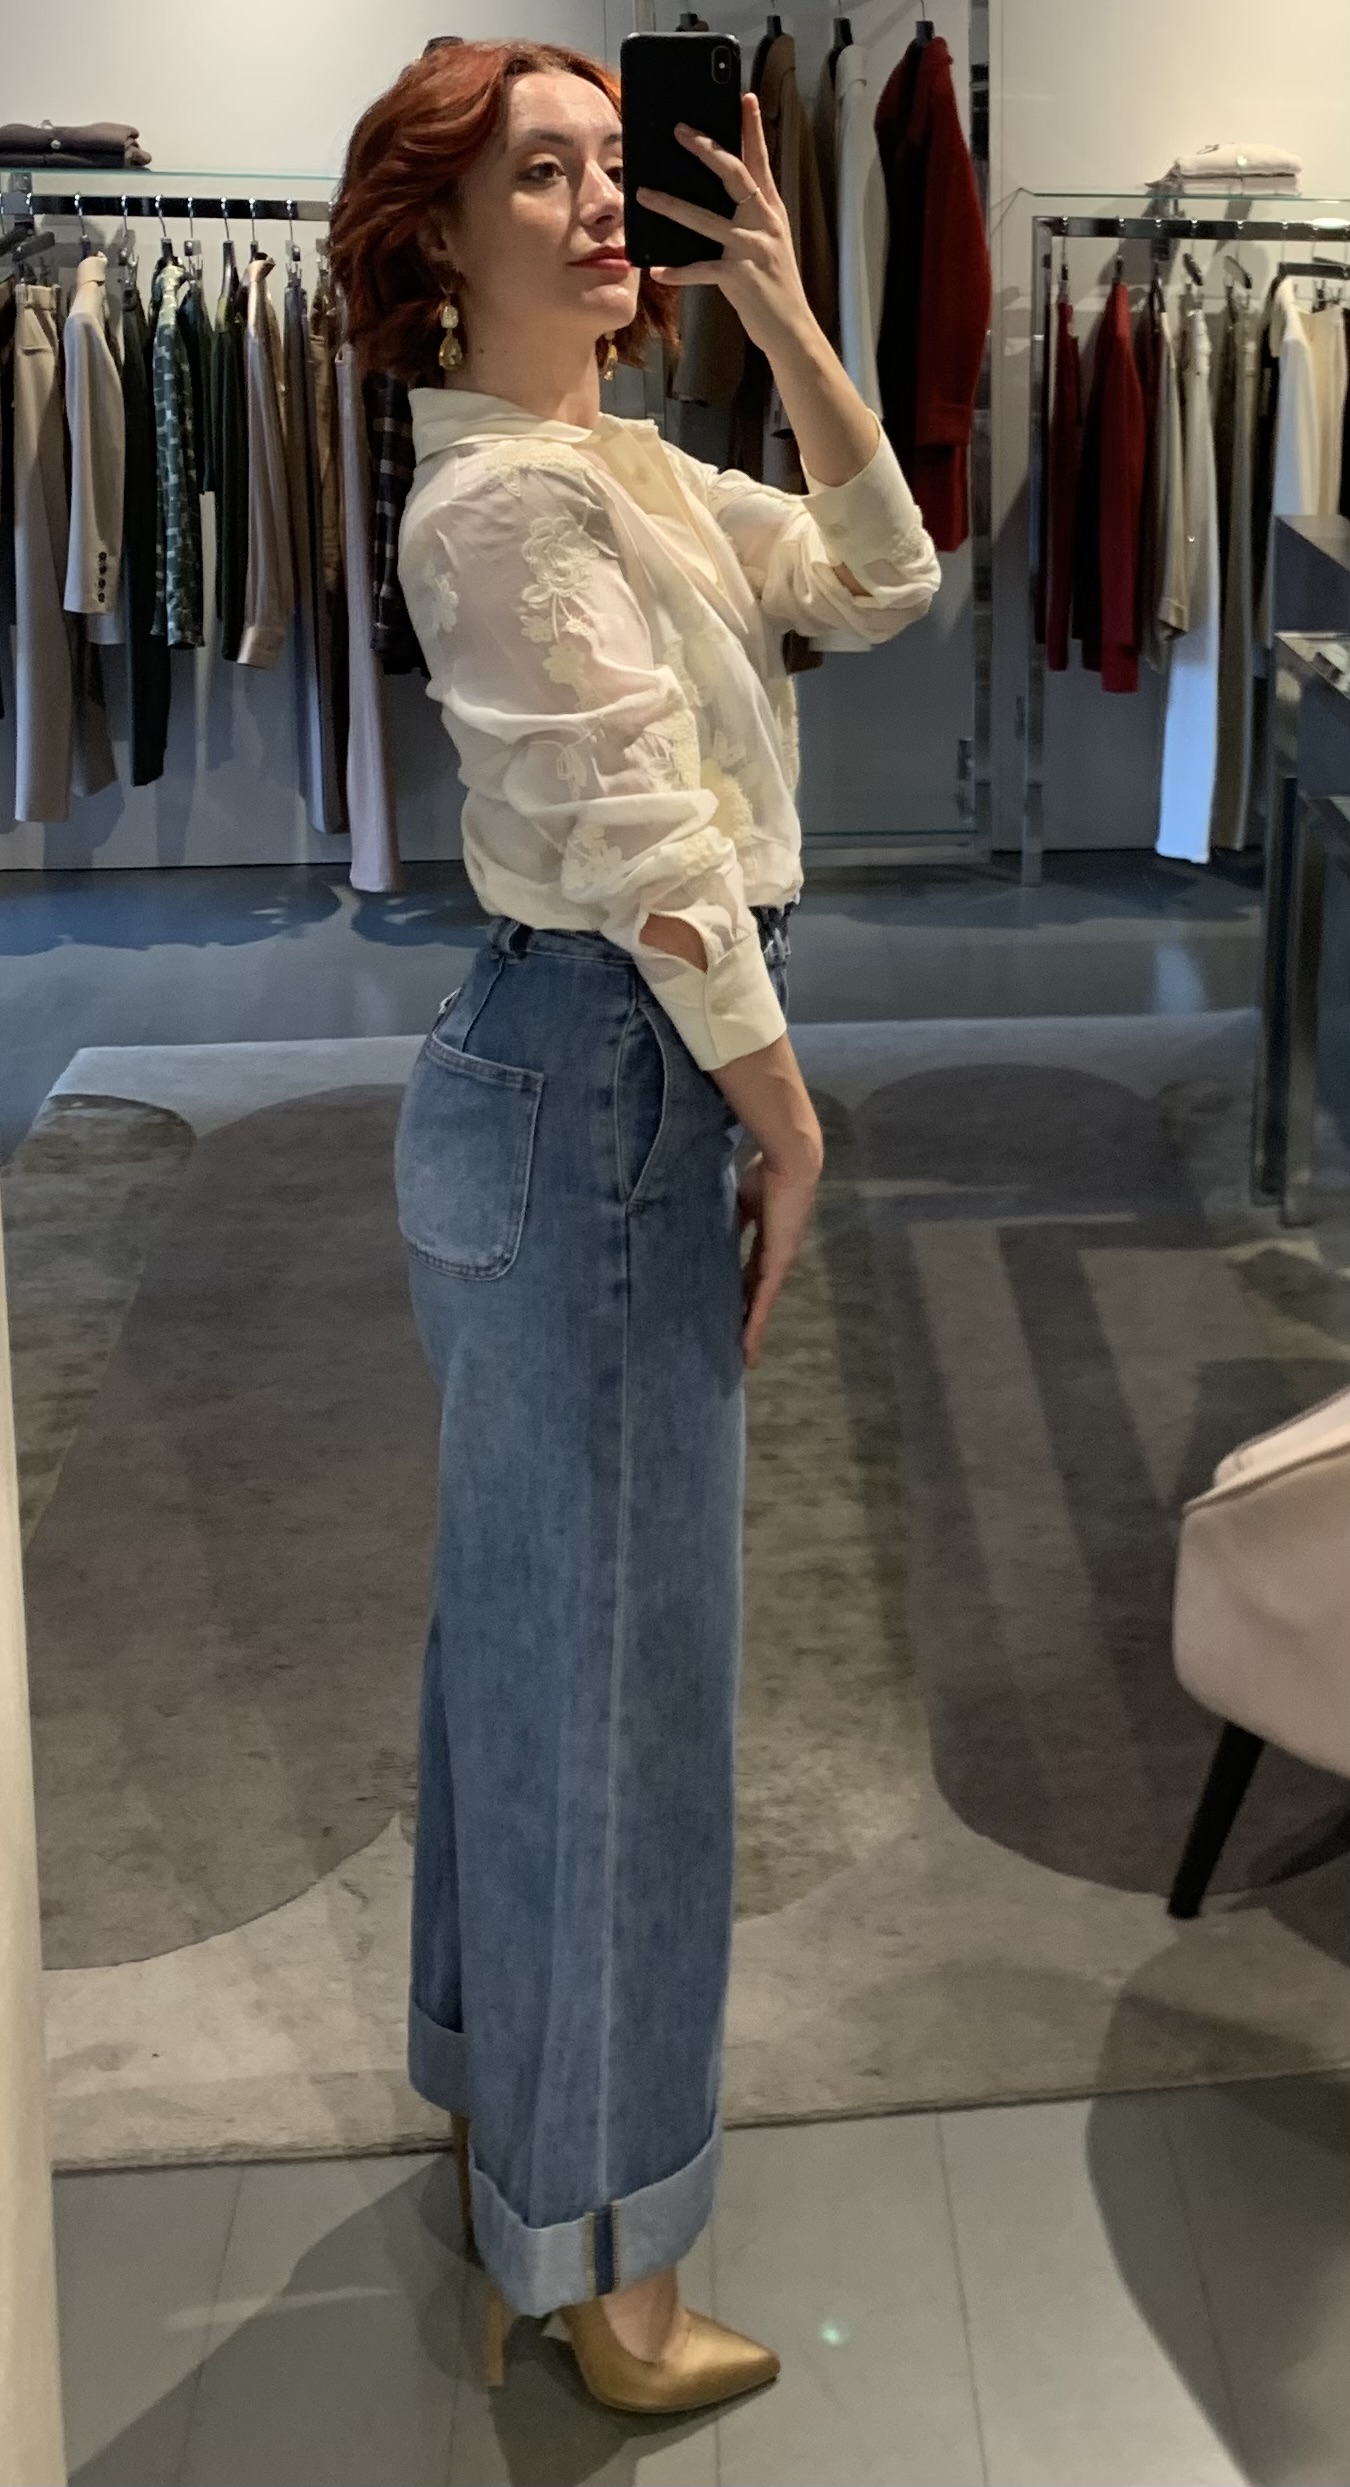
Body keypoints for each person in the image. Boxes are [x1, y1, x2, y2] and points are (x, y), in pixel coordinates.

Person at [328, 36, 940, 2418]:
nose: (599, 204)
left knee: (534, 1632)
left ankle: (508, 2118)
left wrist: (782, 305)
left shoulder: (631, 468)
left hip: (582, 1076)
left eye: (612, 165)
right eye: (541, 174)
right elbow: (652, 847)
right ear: (437, 239)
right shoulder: (497, 509)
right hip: (615, 1076)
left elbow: (884, 578)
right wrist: (791, 1124)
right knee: (627, 1685)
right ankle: (611, 2262)